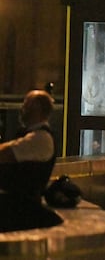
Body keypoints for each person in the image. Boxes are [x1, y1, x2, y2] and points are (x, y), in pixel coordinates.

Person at [0, 90, 63, 232]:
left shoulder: (41, 138)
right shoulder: (33, 135)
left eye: (27, 105)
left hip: (21, 209)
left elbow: (6, 153)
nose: (22, 109)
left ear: (38, 109)